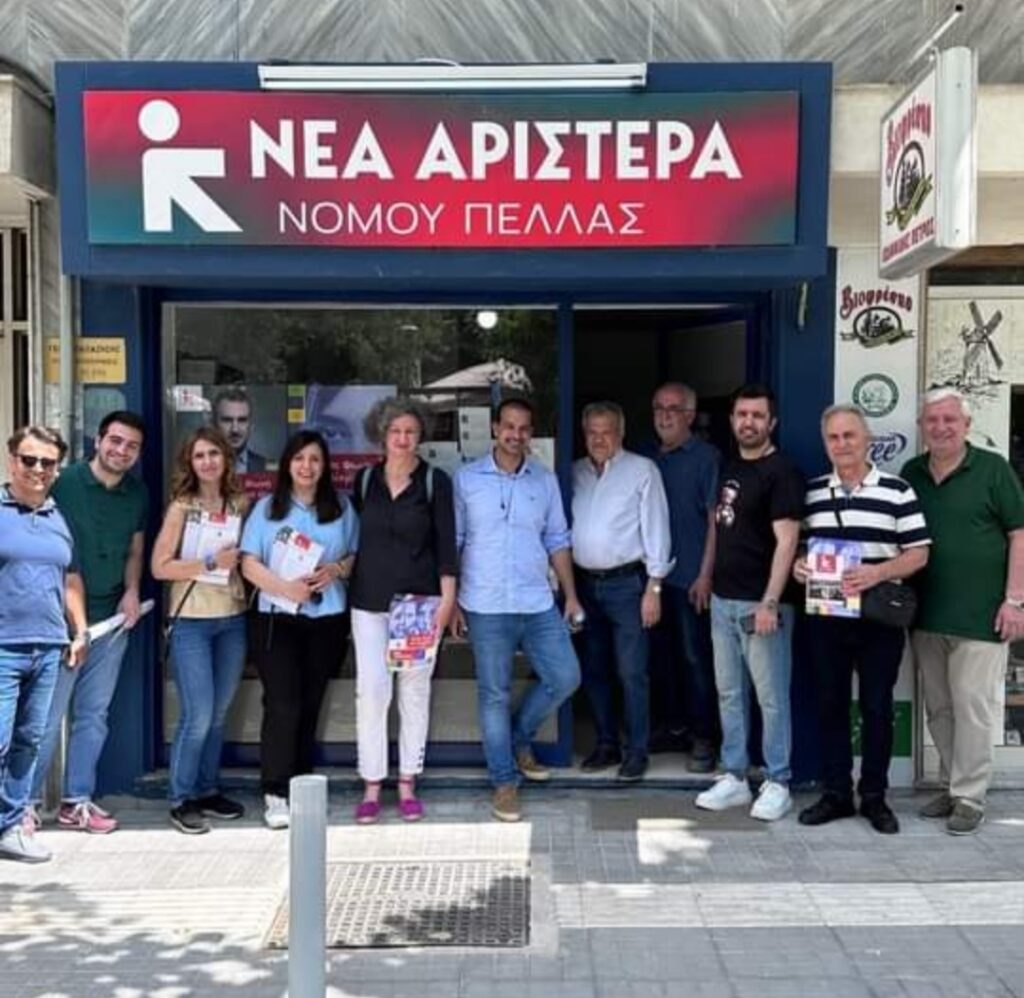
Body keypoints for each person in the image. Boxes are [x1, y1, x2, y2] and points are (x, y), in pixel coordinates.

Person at [793, 405, 930, 834]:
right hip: (828, 616)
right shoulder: (813, 492)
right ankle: (837, 794)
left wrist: (877, 572)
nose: (842, 444)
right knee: (830, 705)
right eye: (833, 438)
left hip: (877, 618)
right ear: (825, 444)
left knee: (877, 708)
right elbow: (800, 548)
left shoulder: (897, 490)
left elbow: (919, 553)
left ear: (867, 439)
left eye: (849, 435)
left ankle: (874, 797)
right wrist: (800, 566)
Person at [902, 388, 1024, 835]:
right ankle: (954, 786)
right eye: (932, 420)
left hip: (982, 617)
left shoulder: (993, 469)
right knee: (939, 709)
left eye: (950, 419)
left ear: (967, 425)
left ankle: (971, 797)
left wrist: (1015, 601)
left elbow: (1020, 534)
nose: (941, 427)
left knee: (972, 708)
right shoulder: (912, 473)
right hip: (926, 615)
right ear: (921, 426)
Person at [454, 398, 581, 822]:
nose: (516, 434)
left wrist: (571, 595)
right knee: (494, 694)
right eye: (508, 426)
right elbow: (454, 542)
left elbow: (557, 539)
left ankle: (519, 738)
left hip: (536, 601)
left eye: (524, 428)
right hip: (484, 603)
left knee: (565, 676)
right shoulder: (467, 480)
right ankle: (504, 782)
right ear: (495, 429)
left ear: (531, 433)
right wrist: (451, 602)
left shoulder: (544, 481)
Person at [31, 410, 148, 835]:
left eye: (131, 446)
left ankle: (76, 801)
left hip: (109, 622)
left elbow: (135, 551)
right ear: (98, 441)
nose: (122, 451)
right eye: (115, 441)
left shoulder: (137, 494)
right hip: (57, 622)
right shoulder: (63, 483)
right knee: (43, 719)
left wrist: (132, 591)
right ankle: (21, 806)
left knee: (93, 716)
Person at [240, 430, 358, 829]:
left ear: (324, 466)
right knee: (282, 703)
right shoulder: (267, 509)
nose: (307, 467)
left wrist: (336, 569)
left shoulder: (341, 506)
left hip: (327, 619)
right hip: (277, 619)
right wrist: (284, 588)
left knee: (310, 703)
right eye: (299, 459)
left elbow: (355, 554)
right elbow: (248, 563)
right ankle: (275, 791)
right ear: (287, 464)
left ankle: (301, 787)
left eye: (315, 459)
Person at [695, 384, 803, 821]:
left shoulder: (782, 472)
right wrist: (706, 576)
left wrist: (770, 602)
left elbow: (788, 541)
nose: (749, 422)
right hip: (723, 602)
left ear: (771, 422)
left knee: (771, 699)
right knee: (729, 694)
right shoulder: (731, 466)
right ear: (732, 419)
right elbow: (718, 527)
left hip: (761, 607)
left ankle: (778, 781)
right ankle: (736, 776)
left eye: (757, 415)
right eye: (742, 414)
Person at [349, 398, 457, 824]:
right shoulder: (364, 481)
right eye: (395, 431)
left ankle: (408, 780)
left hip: (419, 605)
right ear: (382, 435)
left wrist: (447, 600)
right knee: (373, 692)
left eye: (410, 431)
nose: (402, 438)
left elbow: (446, 544)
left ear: (421, 436)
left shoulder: (434, 481)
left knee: (414, 693)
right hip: (369, 602)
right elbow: (353, 540)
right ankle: (372, 783)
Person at [151, 427, 249, 835]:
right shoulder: (182, 508)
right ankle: (181, 798)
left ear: (226, 458)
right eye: (199, 455)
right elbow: (160, 567)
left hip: (232, 617)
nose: (207, 462)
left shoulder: (240, 503)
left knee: (219, 712)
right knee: (198, 714)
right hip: (191, 620)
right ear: (189, 463)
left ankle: (207, 789)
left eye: (214, 454)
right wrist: (210, 563)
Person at [0, 427, 88, 863]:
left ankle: (10, 826)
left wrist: (80, 629)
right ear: (12, 460)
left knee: (29, 741)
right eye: (29, 460)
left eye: (47, 462)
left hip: (49, 647)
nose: (38, 469)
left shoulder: (58, 517)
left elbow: (70, 578)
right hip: (4, 647)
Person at [572, 401, 671, 782]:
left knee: (632, 672)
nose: (599, 439)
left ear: (621, 433)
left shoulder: (642, 470)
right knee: (594, 669)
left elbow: (657, 528)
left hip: (629, 586)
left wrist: (654, 587)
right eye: (592, 432)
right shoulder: (574, 472)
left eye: (607, 431)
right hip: (585, 584)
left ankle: (637, 751)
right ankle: (606, 743)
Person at [644, 382, 721, 771]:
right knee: (659, 660)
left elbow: (715, 521)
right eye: (659, 408)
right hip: (652, 582)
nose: (664, 415)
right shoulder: (645, 457)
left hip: (690, 579)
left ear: (690, 415)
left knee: (695, 660)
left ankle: (703, 737)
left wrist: (705, 574)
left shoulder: (707, 458)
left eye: (673, 409)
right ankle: (671, 728)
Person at [212, 387, 267, 473]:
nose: (235, 429)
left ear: (251, 426)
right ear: (214, 425)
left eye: (242, 420)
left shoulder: (265, 466)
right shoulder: (201, 465)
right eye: (227, 420)